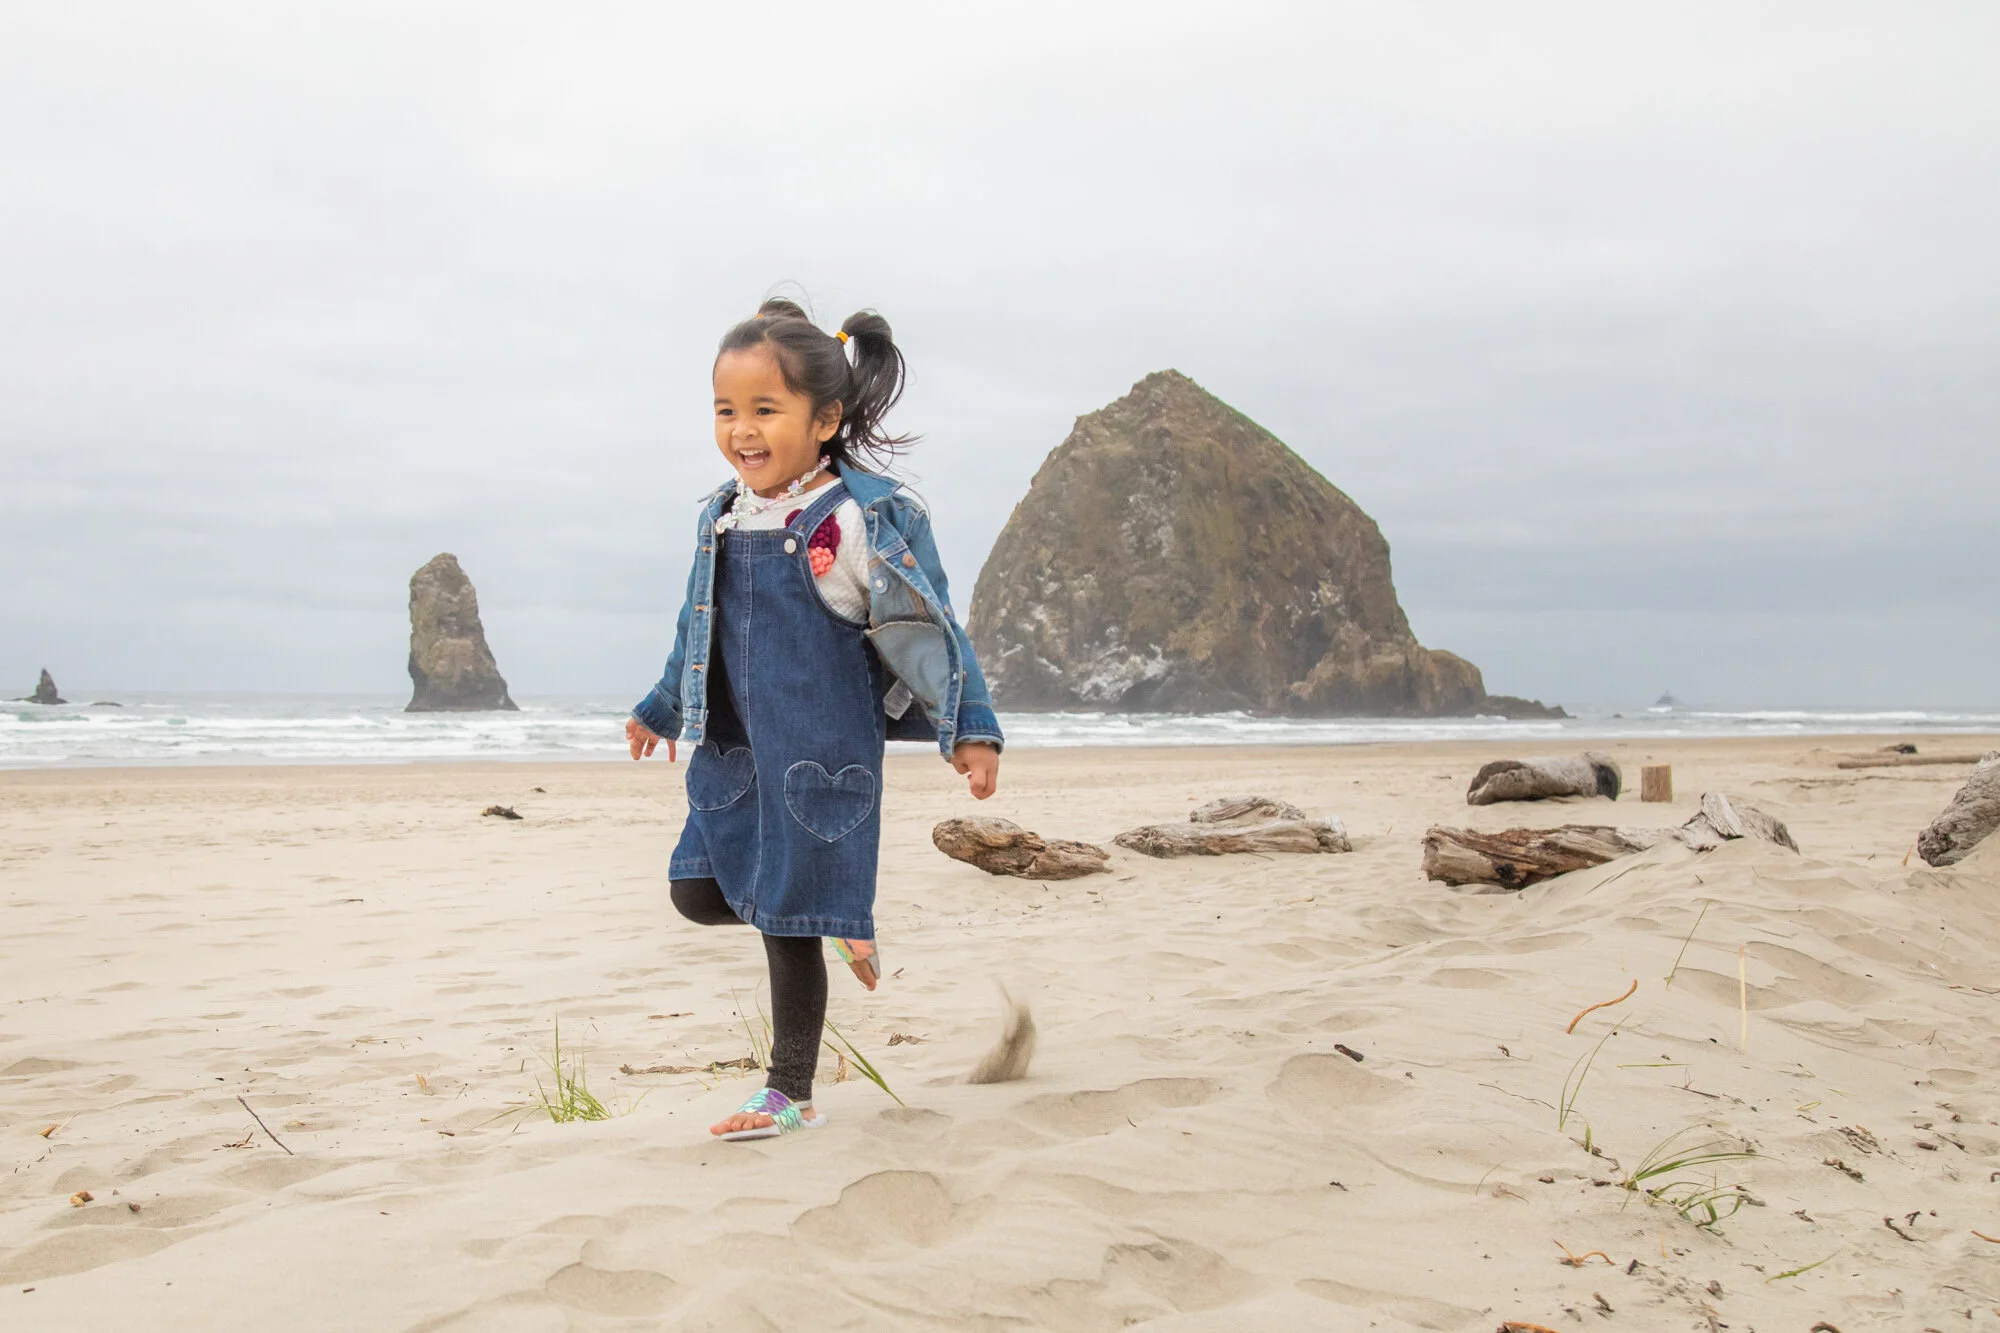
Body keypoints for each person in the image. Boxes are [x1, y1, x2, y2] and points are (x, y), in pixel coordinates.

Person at [626, 297, 1003, 1141]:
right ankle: (833, 915)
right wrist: (659, 707)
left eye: (766, 410)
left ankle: (787, 1089)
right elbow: (696, 624)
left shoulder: (855, 518)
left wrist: (968, 728)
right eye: (727, 410)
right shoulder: (721, 515)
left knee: (788, 911)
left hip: (819, 754)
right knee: (695, 890)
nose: (742, 430)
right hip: (737, 749)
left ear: (824, 418)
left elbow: (930, 627)